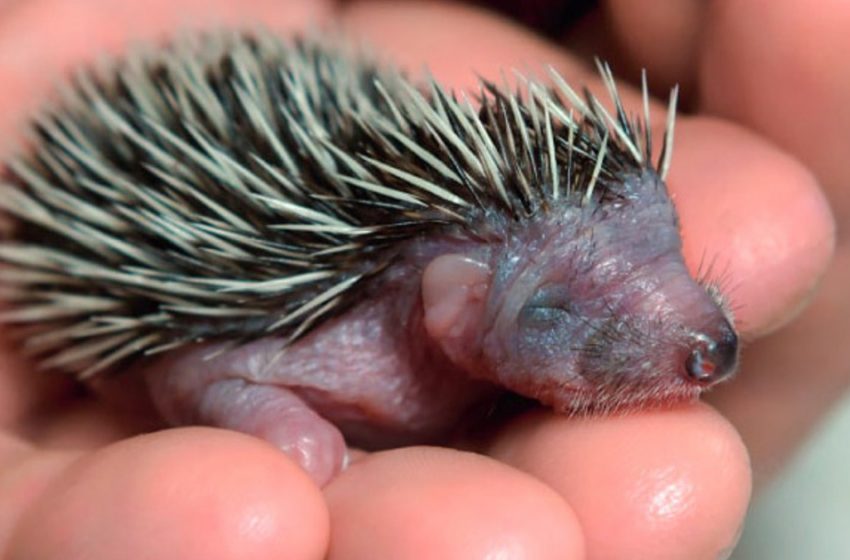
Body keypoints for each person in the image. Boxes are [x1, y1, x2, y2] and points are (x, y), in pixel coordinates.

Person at [0, 0, 844, 558]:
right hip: (132, 189)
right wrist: (260, 413)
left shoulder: (469, 285)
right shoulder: (309, 335)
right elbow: (190, 363)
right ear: (454, 308)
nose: (704, 332)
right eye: (559, 312)